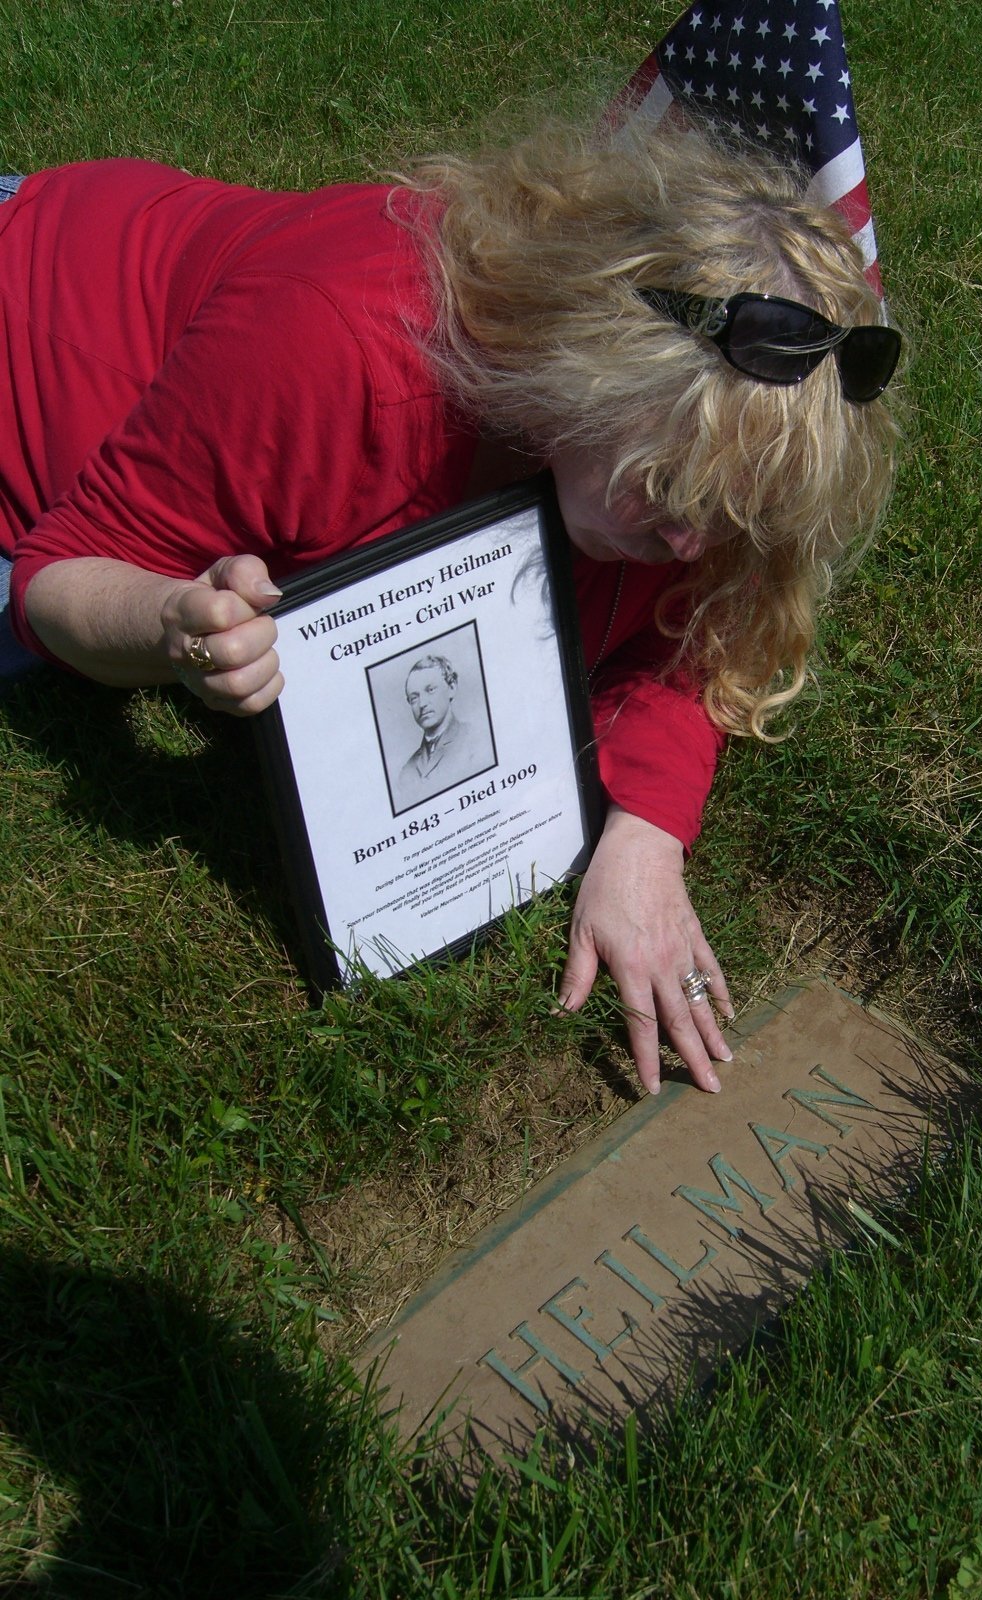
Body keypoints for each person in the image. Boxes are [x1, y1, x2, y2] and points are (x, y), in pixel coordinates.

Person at [0, 117, 900, 1097]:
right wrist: (173, 627)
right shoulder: (338, 348)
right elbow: (58, 580)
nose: (687, 544)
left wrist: (645, 840)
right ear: (597, 365)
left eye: (725, 517)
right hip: (33, 333)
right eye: (673, 495)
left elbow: (696, 641)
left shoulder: (675, 476)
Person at [384, 651, 495, 813]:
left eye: (430, 690)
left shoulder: (478, 741)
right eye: (414, 698)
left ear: (451, 688)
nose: (422, 704)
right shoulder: (407, 773)